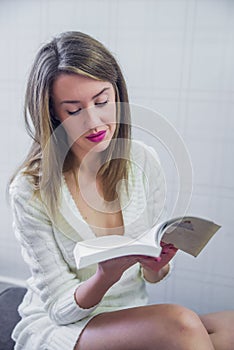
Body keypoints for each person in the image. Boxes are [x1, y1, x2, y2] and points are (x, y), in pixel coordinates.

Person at [9, 31, 233, 350]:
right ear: (53, 114)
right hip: (63, 325)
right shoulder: (30, 190)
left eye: (102, 101)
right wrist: (105, 276)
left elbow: (153, 277)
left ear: (116, 93)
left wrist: (156, 265)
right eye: (74, 110)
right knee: (182, 324)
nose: (94, 121)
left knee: (230, 328)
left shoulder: (142, 161)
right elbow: (59, 309)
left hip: (128, 314)